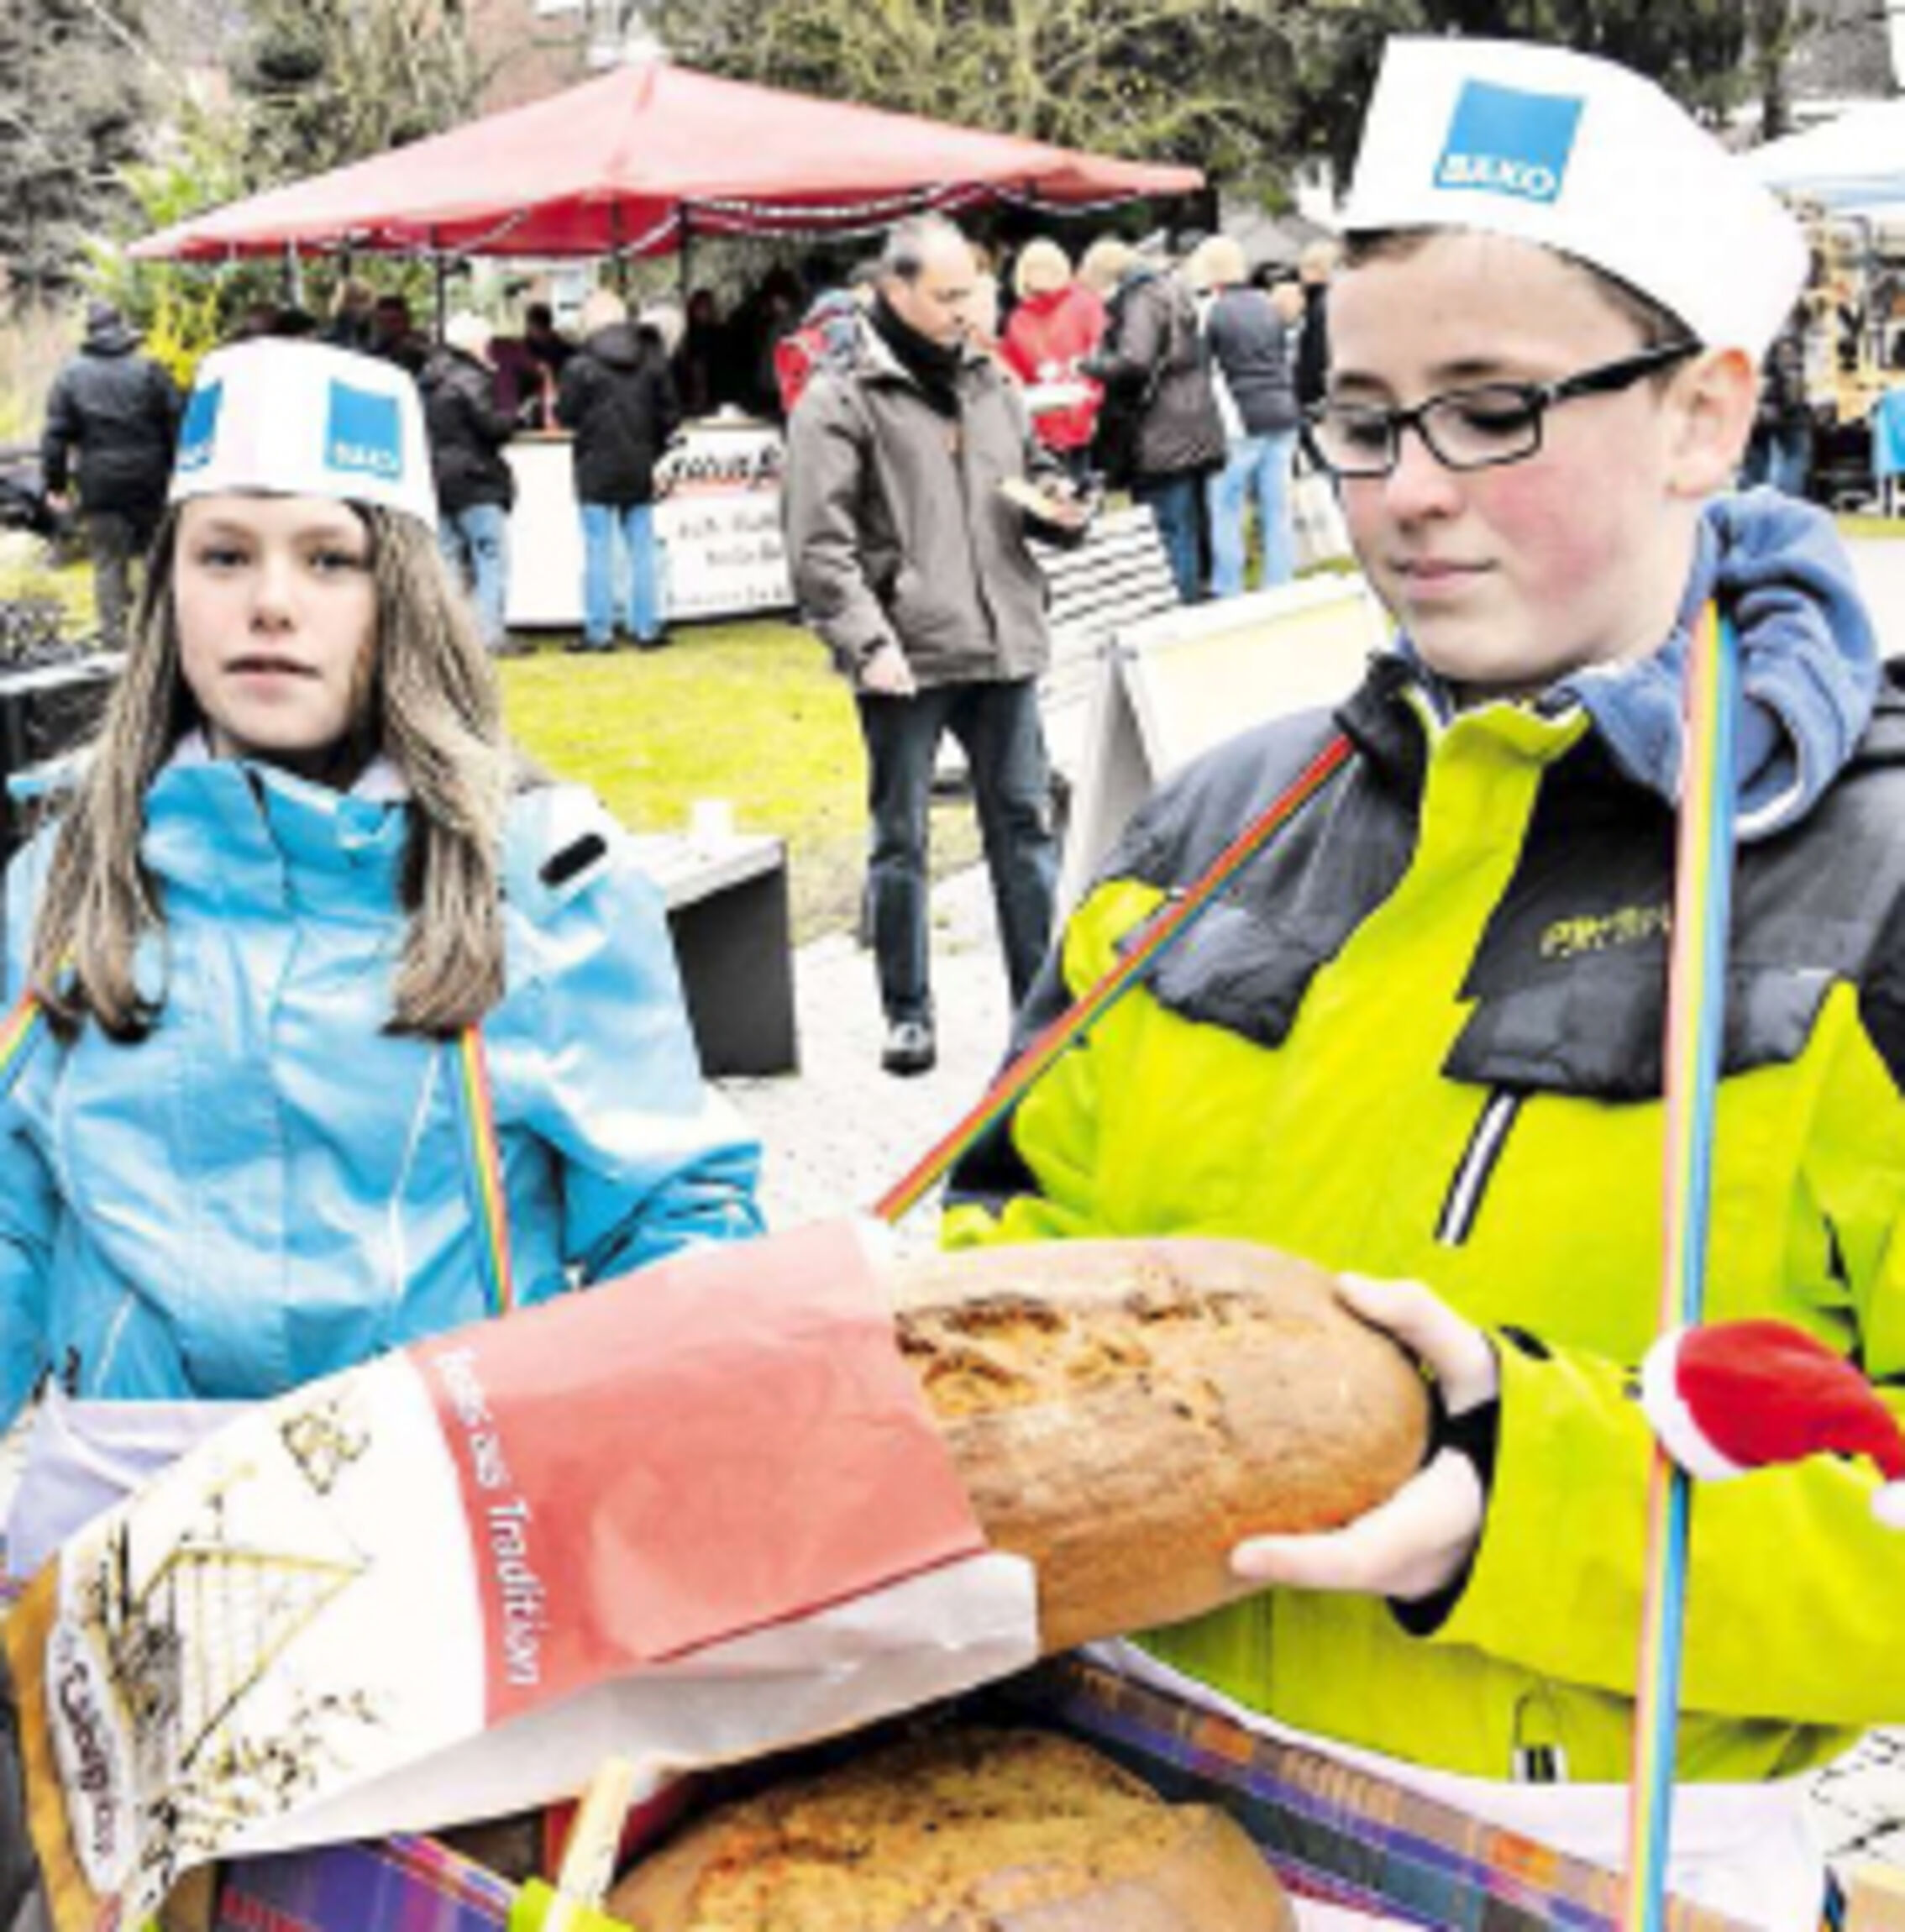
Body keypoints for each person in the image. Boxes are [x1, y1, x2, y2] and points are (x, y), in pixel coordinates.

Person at [946, 36, 1891, 1931]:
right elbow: (1001, 1251)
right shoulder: (1211, 815)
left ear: (1706, 415)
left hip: (1603, 1862)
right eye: (1364, 420)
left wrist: (1509, 1487)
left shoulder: (1868, 884)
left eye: (1490, 412)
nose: (1406, 496)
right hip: (1119, 1823)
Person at [0, 337, 763, 1572]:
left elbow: (671, 1218)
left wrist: (668, 1477)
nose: (271, 603)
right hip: (117, 1552)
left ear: (400, 585)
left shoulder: (543, 881)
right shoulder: (59, 887)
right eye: (226, 554)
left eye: (330, 558)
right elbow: (12, 1225)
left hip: (451, 1551)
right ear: (170, 586)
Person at [783, 213, 1074, 1079]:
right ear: (893, 290)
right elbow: (817, 546)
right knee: (900, 838)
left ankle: (1040, 1011)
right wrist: (868, 640)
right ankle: (908, 1013)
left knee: (1023, 830)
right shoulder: (839, 397)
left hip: (1002, 641)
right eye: (947, 296)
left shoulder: (991, 377)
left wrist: (1058, 502)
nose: (966, 310)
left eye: (971, 291)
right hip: (905, 654)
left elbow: (1025, 472)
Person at [1082, 243, 1225, 602]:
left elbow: (1135, 362)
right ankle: (1192, 594)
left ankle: (1177, 604)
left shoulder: (1140, 298)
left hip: (1161, 426)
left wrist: (1090, 365)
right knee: (1188, 523)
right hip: (1194, 418)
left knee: (1167, 526)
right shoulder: (1172, 287)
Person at [39, 299, 182, 652]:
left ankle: (115, 640)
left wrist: (56, 485)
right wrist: (179, 471)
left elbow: (54, 436)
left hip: (100, 482)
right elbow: (177, 422)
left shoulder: (70, 376)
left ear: (89, 333)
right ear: (122, 329)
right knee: (159, 556)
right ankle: (163, 633)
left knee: (108, 561)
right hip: (152, 479)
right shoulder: (150, 370)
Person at [554, 289, 680, 653]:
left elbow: (566, 415)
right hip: (640, 462)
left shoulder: (580, 365)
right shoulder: (652, 358)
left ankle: (600, 631)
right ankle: (646, 628)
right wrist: (653, 449)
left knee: (598, 549)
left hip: (595, 463)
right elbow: (670, 414)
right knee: (642, 548)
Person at [1189, 234, 1302, 596]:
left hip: (1238, 420)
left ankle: (1228, 588)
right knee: (1276, 507)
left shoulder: (1211, 309)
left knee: (1226, 507)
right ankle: (1280, 583)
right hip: (1283, 413)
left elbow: (1201, 370)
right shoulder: (1266, 304)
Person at [420, 310, 518, 653]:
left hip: (438, 477)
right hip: (476, 478)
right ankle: (488, 635)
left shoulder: (427, 378)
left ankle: (449, 640)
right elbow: (489, 427)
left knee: (447, 560)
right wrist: (516, 419)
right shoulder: (472, 379)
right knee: (490, 556)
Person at [999, 239, 1107, 486]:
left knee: (1077, 493)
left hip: (1078, 417)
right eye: (1035, 268)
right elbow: (1015, 373)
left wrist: (1092, 406)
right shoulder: (1018, 319)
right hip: (1044, 424)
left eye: (1046, 267)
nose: (1041, 275)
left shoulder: (1084, 304)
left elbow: (1099, 356)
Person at [1742, 302, 1814, 499]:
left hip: (1753, 403)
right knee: (1795, 455)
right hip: (1781, 407)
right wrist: (1798, 406)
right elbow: (1790, 373)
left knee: (1753, 462)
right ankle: (1784, 507)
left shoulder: (1749, 327)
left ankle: (1747, 513)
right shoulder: (1785, 331)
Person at [1292, 237, 1339, 413]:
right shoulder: (1333, 300)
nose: (1300, 275)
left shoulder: (1319, 305)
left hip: (1318, 402)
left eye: (1304, 267)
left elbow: (1316, 357)